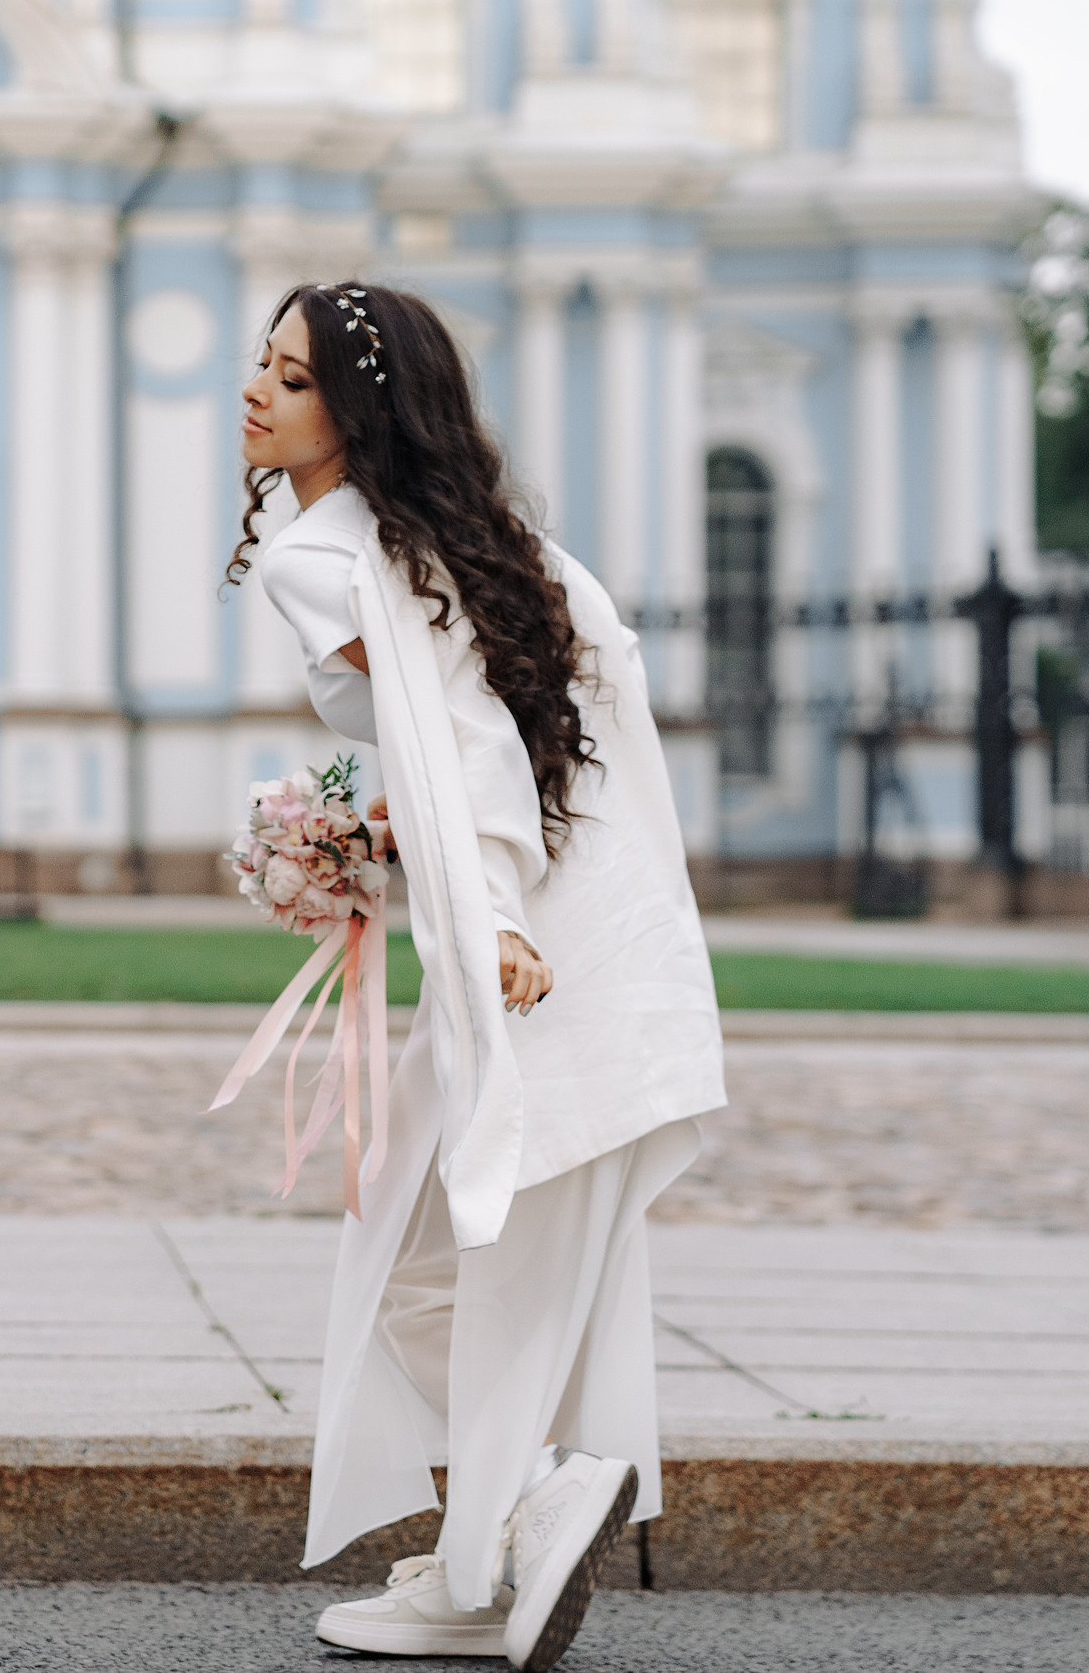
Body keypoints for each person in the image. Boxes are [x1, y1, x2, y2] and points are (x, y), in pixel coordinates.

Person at [231, 283, 726, 1671]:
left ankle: (525, 1505)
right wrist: (378, 842)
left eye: (297, 379)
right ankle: (485, 1547)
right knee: (498, 1251)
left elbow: (455, 734)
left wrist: (491, 900)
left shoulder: (321, 558)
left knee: (425, 1251)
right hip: (605, 925)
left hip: (522, 948)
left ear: (363, 411)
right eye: (259, 367)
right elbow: (542, 714)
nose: (259, 394)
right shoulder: (500, 546)